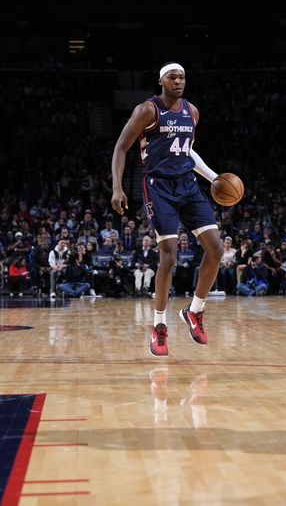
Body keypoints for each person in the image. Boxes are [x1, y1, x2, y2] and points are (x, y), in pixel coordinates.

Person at [111, 62, 224, 357]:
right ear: (160, 80)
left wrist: (213, 178)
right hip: (158, 186)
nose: (178, 81)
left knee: (216, 249)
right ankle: (159, 325)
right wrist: (117, 187)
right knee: (170, 254)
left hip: (187, 184)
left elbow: (186, 151)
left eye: (182, 76)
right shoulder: (147, 110)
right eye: (172, 76)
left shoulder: (192, 112)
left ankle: (195, 311)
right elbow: (121, 147)